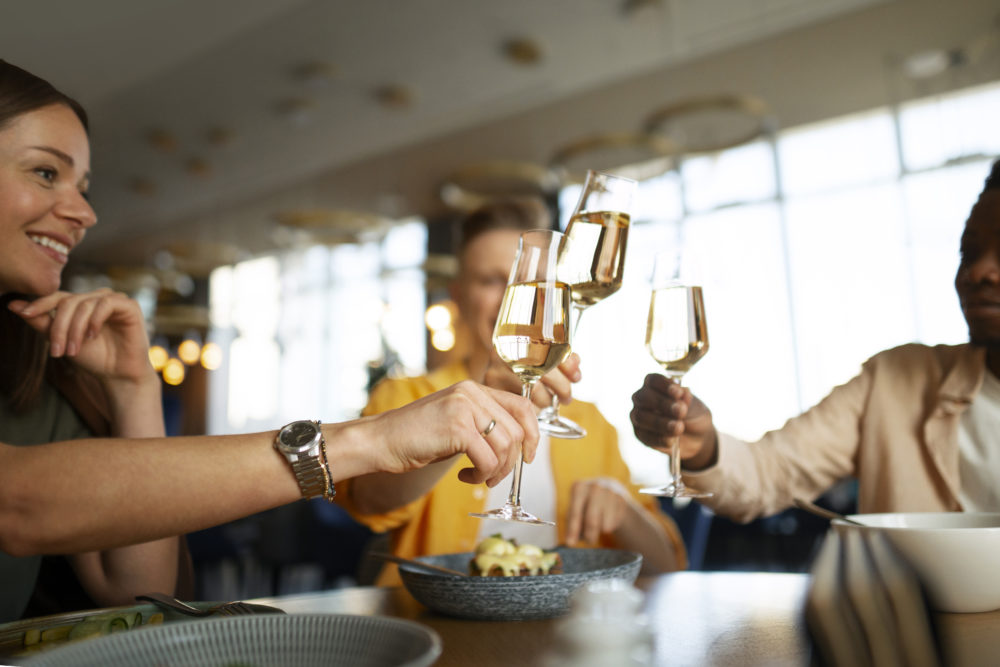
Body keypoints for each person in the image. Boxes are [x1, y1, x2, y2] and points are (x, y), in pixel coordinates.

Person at [0, 59, 539, 623]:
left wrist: (133, 388)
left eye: (83, 187)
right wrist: (368, 440)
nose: (84, 213)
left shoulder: (41, 367)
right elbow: (15, 502)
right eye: (44, 173)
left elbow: (137, 590)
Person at [338, 198, 687, 585]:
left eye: (531, 280)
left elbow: (670, 566)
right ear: (457, 295)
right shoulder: (404, 394)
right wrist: (471, 409)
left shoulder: (591, 424)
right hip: (432, 632)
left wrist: (623, 511)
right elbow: (368, 501)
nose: (515, 296)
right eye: (491, 280)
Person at [630, 159, 1000, 522]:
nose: (978, 271)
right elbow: (771, 473)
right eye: (967, 251)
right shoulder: (893, 380)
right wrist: (701, 444)